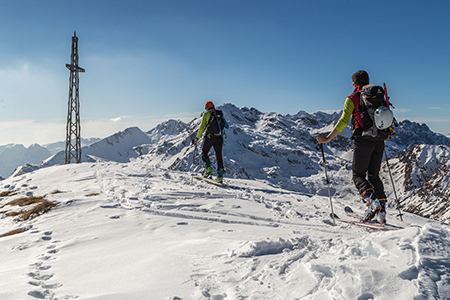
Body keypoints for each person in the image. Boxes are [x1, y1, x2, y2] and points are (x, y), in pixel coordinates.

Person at [316, 70, 387, 223]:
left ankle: (373, 203)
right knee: (374, 176)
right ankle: (382, 212)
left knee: (358, 175)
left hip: (363, 141)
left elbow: (343, 122)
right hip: (380, 140)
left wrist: (327, 139)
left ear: (354, 83)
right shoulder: (379, 96)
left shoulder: (353, 98)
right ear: (368, 81)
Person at [193, 101, 229, 183]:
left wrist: (197, 138)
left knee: (204, 152)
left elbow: (202, 127)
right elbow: (227, 126)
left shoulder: (206, 114)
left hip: (210, 138)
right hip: (219, 138)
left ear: (206, 107)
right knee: (219, 155)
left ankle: (208, 169)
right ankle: (220, 176)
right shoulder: (219, 114)